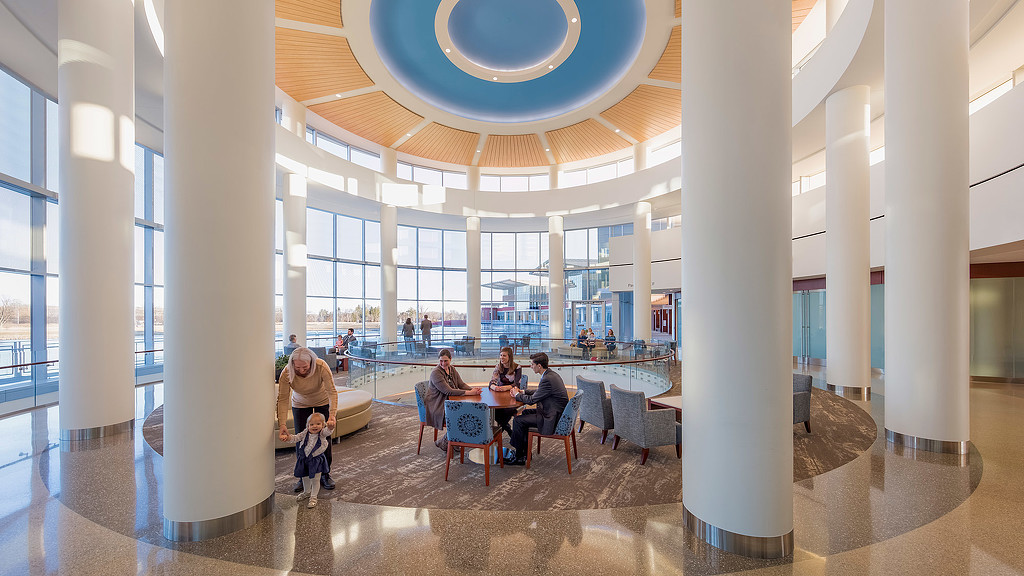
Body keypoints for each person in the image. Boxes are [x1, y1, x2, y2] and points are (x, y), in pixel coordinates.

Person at [277, 347, 338, 491]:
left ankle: (325, 474)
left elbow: (332, 392)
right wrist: (282, 424)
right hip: (300, 403)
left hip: (322, 401)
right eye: (297, 368)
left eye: (305, 367)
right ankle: (303, 476)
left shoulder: (321, 366)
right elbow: (283, 398)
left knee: (323, 438)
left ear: (312, 362)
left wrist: (332, 415)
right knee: (301, 440)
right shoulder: (287, 372)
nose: (301, 371)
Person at [506, 352, 569, 465]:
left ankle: (519, 457)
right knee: (525, 413)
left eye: (532, 364)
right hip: (553, 411)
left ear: (539, 366)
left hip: (552, 417)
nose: (530, 366)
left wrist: (516, 395)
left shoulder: (547, 378)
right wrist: (522, 392)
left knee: (518, 420)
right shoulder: (550, 374)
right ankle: (525, 452)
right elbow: (540, 391)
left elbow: (531, 401)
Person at [425, 348, 481, 452]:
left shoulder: (452, 369)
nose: (443, 363)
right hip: (437, 405)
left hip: (451, 402)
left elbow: (461, 384)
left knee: (467, 412)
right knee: (460, 416)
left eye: (445, 361)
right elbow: (448, 391)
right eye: (441, 361)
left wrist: (473, 390)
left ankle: (453, 440)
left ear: (450, 359)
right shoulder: (436, 373)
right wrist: (469, 393)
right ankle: (445, 441)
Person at [279, 412, 334, 508]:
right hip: (304, 459)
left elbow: (328, 431)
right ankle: (307, 492)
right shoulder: (305, 433)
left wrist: (330, 427)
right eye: (311, 424)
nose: (314, 426)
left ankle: (313, 497)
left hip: (316, 461)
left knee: (315, 479)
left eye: (318, 424)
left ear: (323, 425)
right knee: (305, 477)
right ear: (307, 426)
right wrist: (287, 438)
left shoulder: (322, 434)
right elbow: (296, 438)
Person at [489, 346, 522, 436]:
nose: (501, 358)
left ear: (509, 357)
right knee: (493, 410)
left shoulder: (517, 367)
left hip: (512, 395)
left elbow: (517, 384)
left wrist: (505, 388)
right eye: (501, 355)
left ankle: (502, 429)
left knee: (507, 410)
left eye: (504, 356)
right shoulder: (498, 367)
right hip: (499, 395)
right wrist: (494, 387)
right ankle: (508, 428)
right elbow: (492, 381)